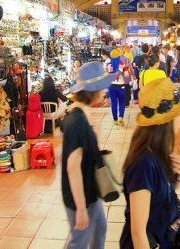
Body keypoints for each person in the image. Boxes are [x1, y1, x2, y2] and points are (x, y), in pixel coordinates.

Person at [120, 78, 180, 248]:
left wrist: (177, 178)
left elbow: (159, 201)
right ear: (168, 121)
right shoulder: (144, 164)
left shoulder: (158, 153)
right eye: (179, 112)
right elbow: (138, 232)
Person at [61, 61, 113, 248]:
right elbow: (72, 168)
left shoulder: (81, 114)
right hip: (81, 195)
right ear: (92, 91)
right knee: (79, 241)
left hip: (91, 190)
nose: (105, 91)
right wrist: (81, 208)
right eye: (102, 88)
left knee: (99, 230)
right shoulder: (77, 122)